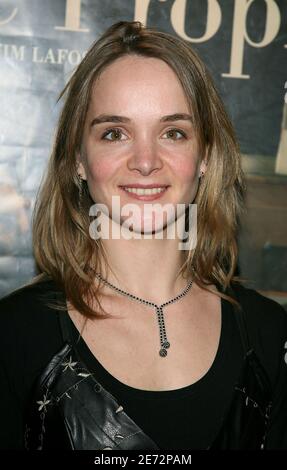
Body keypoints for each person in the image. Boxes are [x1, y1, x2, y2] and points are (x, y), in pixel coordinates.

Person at [0, 20, 286, 451]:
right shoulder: (13, 335)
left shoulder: (268, 331)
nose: (147, 160)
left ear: (205, 155)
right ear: (78, 159)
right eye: (115, 133)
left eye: (173, 132)